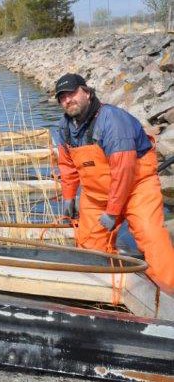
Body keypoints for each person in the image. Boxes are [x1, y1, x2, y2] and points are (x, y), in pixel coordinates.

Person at [54, 73, 174, 289]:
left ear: (87, 92)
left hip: (137, 188)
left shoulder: (112, 121)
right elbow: (68, 167)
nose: (67, 100)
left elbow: (124, 171)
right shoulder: (64, 128)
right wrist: (69, 198)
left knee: (151, 236)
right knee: (89, 246)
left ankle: (168, 292)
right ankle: (104, 289)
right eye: (62, 97)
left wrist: (112, 212)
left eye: (71, 93)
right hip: (96, 194)